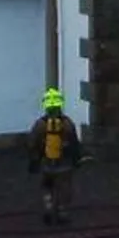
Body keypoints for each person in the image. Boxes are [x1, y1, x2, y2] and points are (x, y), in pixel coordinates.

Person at [27, 87, 83, 225]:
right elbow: (75, 144)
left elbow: (32, 144)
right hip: (64, 165)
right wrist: (77, 159)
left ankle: (48, 206)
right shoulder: (67, 123)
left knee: (47, 186)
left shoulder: (40, 125)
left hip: (47, 164)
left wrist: (34, 160)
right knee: (64, 189)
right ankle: (63, 212)